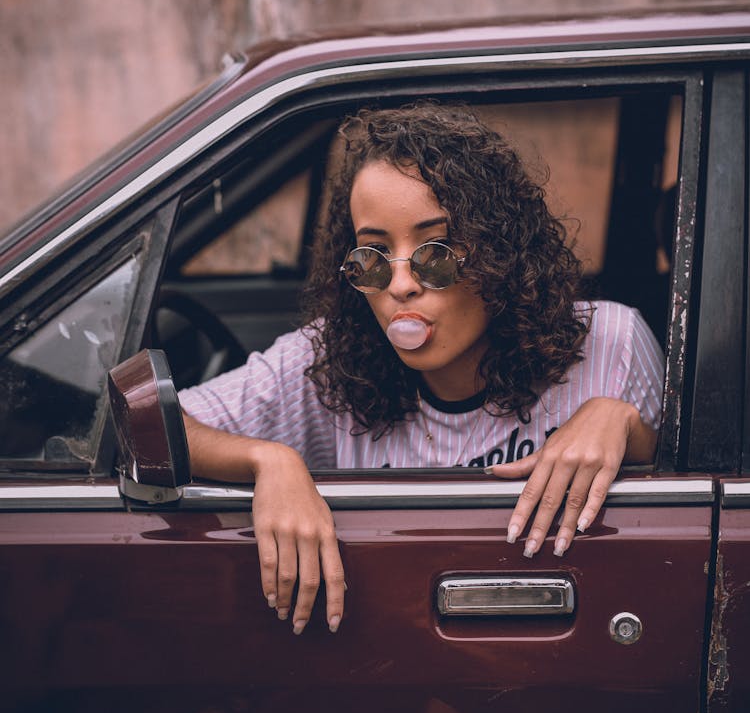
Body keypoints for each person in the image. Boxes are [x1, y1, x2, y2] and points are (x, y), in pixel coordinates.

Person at [179, 102, 664, 636]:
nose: (401, 284)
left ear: (499, 251)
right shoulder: (329, 363)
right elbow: (152, 423)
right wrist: (267, 461)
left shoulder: (608, 346)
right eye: (373, 258)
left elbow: (705, 493)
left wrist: (622, 423)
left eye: (436, 252)